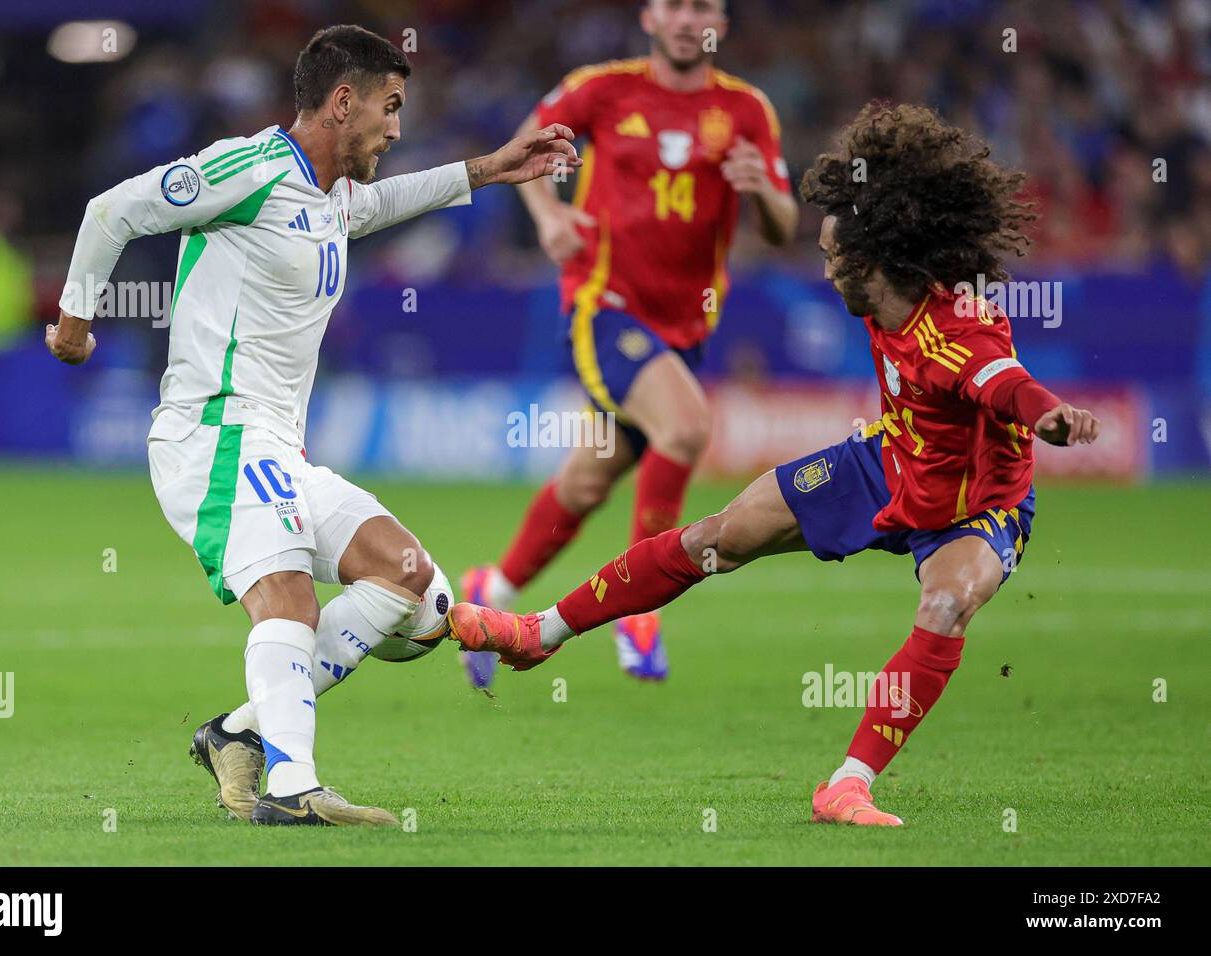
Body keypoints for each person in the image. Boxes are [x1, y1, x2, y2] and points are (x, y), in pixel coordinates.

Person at [447, 103, 1101, 826]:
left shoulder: (956, 332)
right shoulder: (884, 294)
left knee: (945, 605)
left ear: (873, 265)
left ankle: (847, 785)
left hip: (977, 504)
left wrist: (1048, 414)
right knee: (714, 537)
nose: (824, 272)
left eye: (831, 259)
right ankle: (539, 634)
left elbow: (1001, 379)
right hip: (888, 461)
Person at [46, 24, 580, 826]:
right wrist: (75, 320)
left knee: (411, 587)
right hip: (215, 434)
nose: (397, 128)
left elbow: (382, 202)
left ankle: (237, 731)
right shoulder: (250, 166)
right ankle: (294, 789)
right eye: (390, 108)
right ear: (342, 102)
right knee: (287, 595)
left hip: (276, 449)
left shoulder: (331, 197)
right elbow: (112, 209)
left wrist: (491, 171)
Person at [461, 0, 797, 688]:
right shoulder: (602, 88)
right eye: (675, 4)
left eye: (703, 7)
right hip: (604, 306)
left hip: (686, 331)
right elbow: (525, 144)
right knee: (686, 427)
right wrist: (550, 216)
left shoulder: (747, 110)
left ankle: (489, 590)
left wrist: (762, 191)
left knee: (589, 479)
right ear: (650, 17)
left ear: (720, 25)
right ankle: (637, 609)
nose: (687, 18)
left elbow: (784, 228)